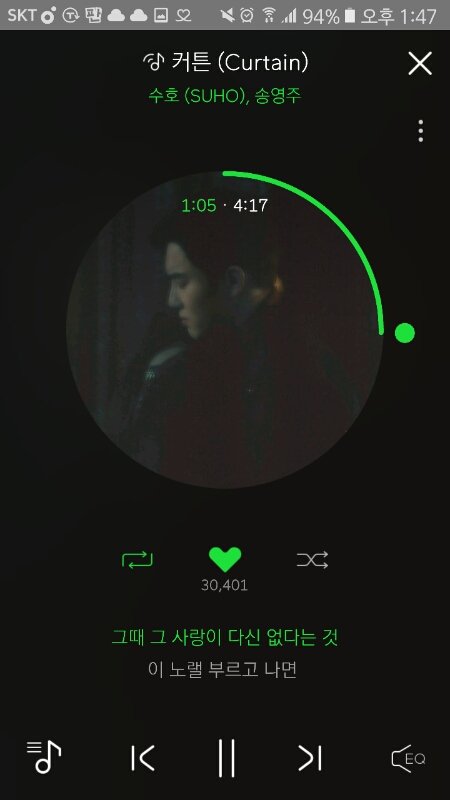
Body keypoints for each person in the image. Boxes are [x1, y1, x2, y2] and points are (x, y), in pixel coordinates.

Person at [105, 205, 354, 488]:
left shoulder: (273, 371)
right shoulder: (296, 352)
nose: (172, 300)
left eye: (183, 282)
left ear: (234, 281)